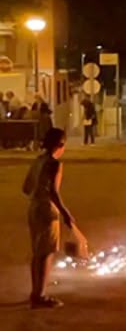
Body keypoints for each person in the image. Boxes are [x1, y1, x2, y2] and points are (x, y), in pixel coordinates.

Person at [23, 128, 76, 309]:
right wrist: (65, 212)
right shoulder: (55, 164)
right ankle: (41, 296)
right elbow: (53, 191)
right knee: (47, 253)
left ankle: (35, 292)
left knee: (37, 253)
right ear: (60, 145)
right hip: (47, 211)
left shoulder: (38, 161)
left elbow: (26, 187)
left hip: (33, 208)